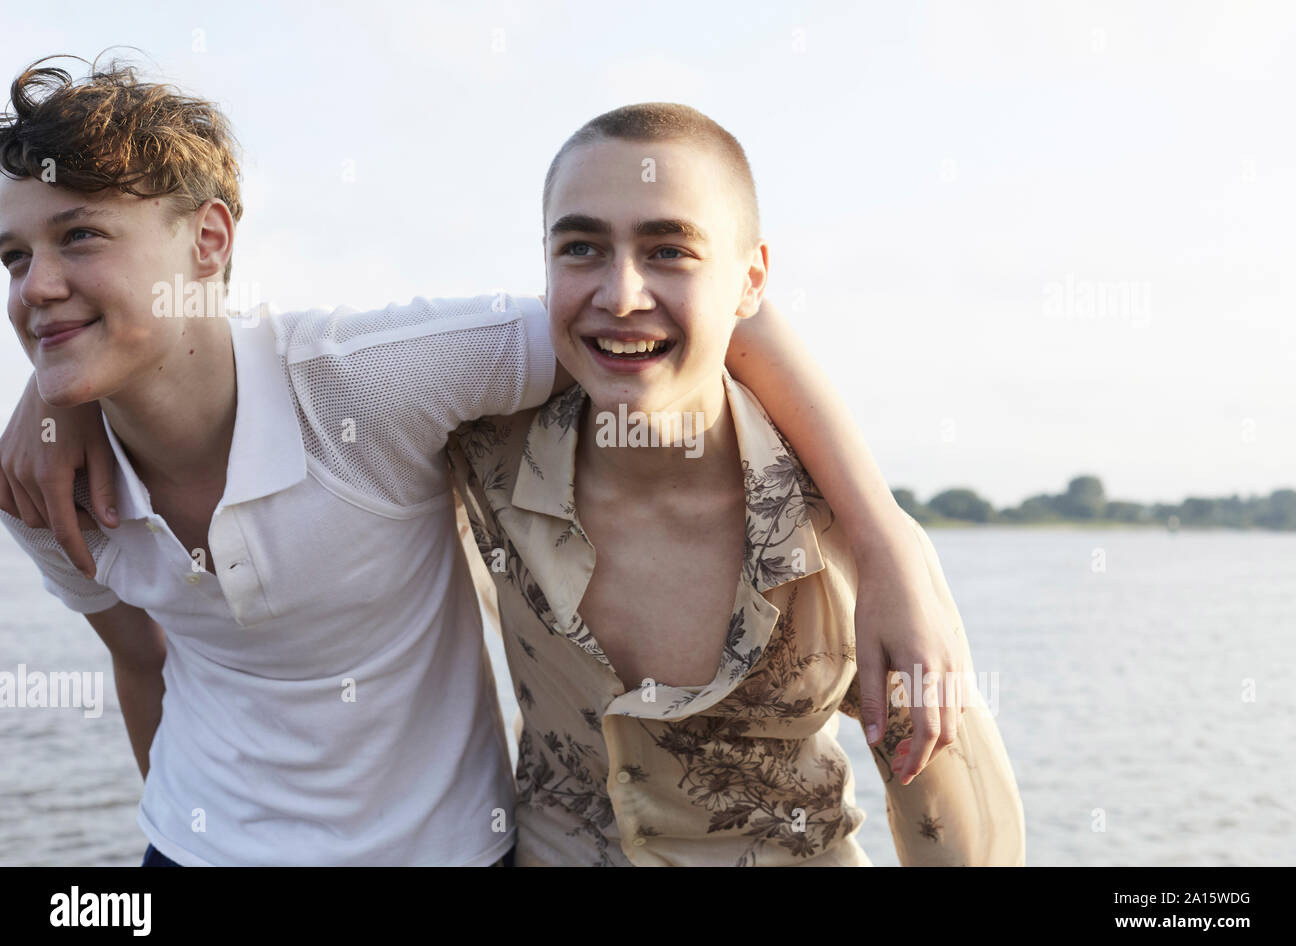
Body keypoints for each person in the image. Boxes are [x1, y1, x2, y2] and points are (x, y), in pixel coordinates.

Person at [0, 56, 969, 866]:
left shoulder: (373, 380)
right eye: (11, 257)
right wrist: (55, 392)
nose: (37, 284)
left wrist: (884, 538)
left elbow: (694, 321)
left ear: (208, 241)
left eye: (79, 236)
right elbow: (142, 662)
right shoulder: (39, 485)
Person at [446, 103, 1025, 865]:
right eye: (583, 246)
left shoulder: (850, 546)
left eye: (669, 251)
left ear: (750, 280)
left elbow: (962, 831)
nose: (621, 294)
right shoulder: (478, 454)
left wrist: (887, 538)